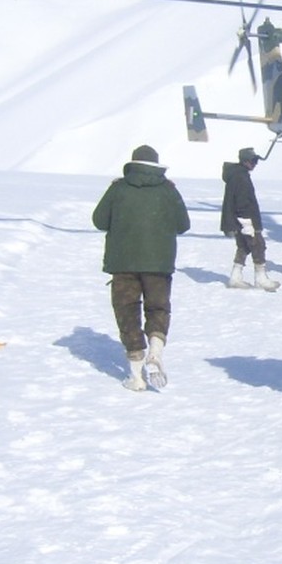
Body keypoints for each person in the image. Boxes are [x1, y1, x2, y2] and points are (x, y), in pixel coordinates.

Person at [92, 145, 190, 391]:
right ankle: (155, 351)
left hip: (123, 262)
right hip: (159, 263)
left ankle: (136, 377)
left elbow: (99, 220)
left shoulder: (119, 188)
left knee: (127, 312)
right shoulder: (168, 190)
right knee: (157, 308)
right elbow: (183, 224)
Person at [220, 147, 280, 291]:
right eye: (253, 161)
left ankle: (235, 277)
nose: (255, 164)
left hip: (238, 220)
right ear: (245, 161)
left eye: (256, 161)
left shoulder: (237, 174)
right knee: (258, 245)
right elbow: (242, 202)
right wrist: (247, 222)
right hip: (245, 220)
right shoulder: (240, 177)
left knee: (243, 246)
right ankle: (261, 279)